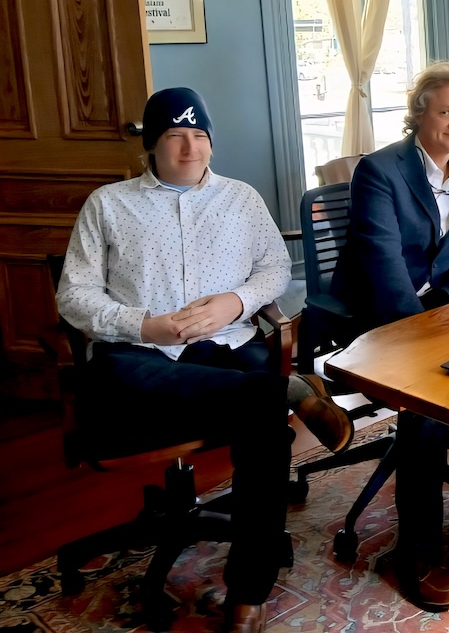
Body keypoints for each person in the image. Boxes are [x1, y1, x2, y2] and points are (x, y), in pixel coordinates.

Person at [56, 87, 352, 633]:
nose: (189, 148)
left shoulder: (241, 199)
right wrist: (147, 323)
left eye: (199, 136)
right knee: (256, 407)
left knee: (259, 425)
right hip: (137, 356)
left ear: (211, 142)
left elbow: (274, 270)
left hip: (224, 350)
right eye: (174, 136)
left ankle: (248, 592)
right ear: (152, 144)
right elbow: (73, 297)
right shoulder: (108, 205)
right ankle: (288, 391)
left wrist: (234, 303)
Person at [331, 63, 449, 610]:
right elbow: (382, 268)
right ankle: (416, 552)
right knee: (427, 401)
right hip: (377, 311)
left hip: (440, 304)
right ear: (419, 114)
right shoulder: (379, 171)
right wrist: (429, 345)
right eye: (445, 111)